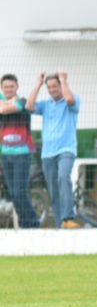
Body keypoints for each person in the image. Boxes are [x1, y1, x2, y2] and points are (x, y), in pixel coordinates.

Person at [28, 71, 81, 228]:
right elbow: (29, 106)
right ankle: (60, 223)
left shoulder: (72, 100)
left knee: (63, 177)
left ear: (61, 86)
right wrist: (38, 84)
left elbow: (70, 99)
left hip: (66, 149)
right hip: (47, 153)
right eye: (49, 87)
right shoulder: (45, 104)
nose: (52, 90)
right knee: (53, 188)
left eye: (55, 86)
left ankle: (68, 217)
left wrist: (64, 80)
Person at [0, 74, 38, 228]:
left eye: (11, 87)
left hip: (23, 154)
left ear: (17, 87)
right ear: (2, 88)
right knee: (13, 194)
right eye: (6, 87)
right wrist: (7, 102)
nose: (9, 89)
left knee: (20, 192)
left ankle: (32, 224)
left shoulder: (23, 101)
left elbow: (5, 110)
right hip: (5, 155)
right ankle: (25, 224)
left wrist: (6, 104)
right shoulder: (5, 101)